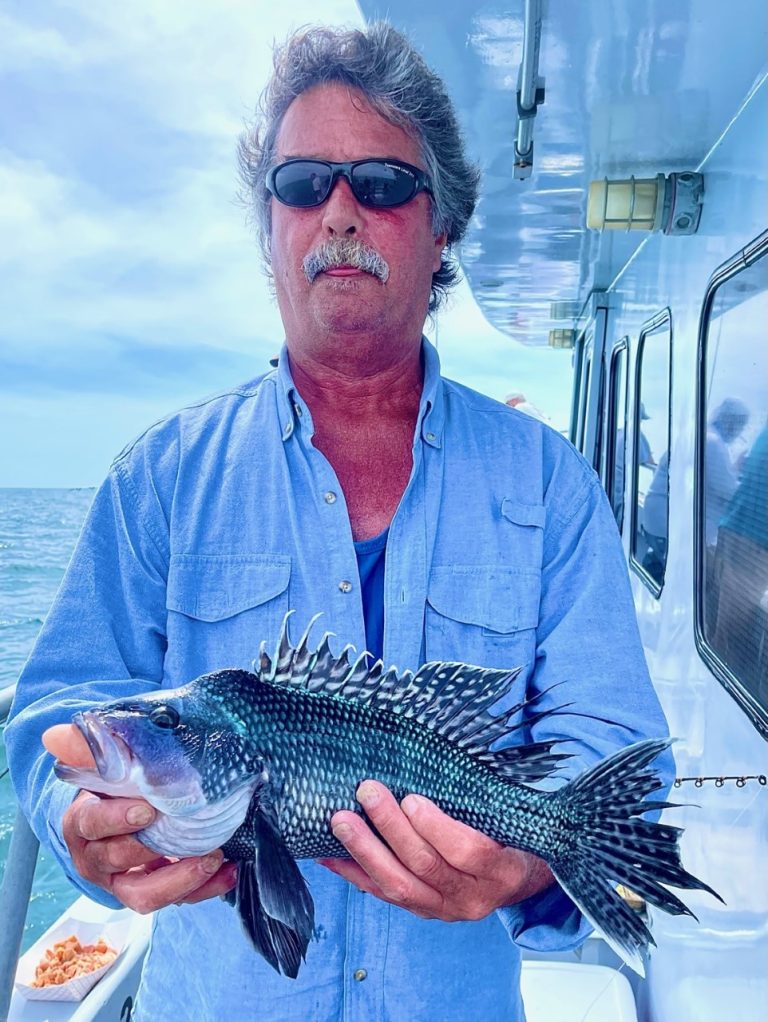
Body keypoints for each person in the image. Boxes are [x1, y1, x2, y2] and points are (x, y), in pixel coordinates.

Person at [6, 24, 672, 1022]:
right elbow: (56, 710)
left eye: (384, 182)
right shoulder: (161, 478)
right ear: (270, 223)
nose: (341, 210)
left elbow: (613, 729)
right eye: (305, 181)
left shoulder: (548, 485)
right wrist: (76, 818)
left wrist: (529, 852)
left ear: (441, 226)